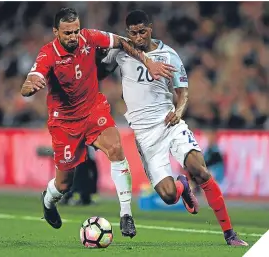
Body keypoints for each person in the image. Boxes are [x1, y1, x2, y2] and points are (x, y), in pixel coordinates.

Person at [20, 7, 175, 238]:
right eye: (67, 33)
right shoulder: (47, 54)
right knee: (64, 184)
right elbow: (33, 78)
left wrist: (148, 62)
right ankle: (49, 200)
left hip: (93, 110)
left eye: (76, 31)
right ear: (56, 32)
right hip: (64, 123)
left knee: (116, 148)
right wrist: (28, 87)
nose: (73, 37)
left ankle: (126, 215)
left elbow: (122, 42)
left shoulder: (89, 37)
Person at [101, 10, 248, 246]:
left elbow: (183, 92)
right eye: (133, 33)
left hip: (170, 124)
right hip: (146, 136)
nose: (138, 37)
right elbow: (98, 72)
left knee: (200, 171)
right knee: (169, 196)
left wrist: (178, 113)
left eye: (142, 31)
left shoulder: (169, 55)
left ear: (150, 28)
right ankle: (182, 185)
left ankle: (230, 233)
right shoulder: (120, 53)